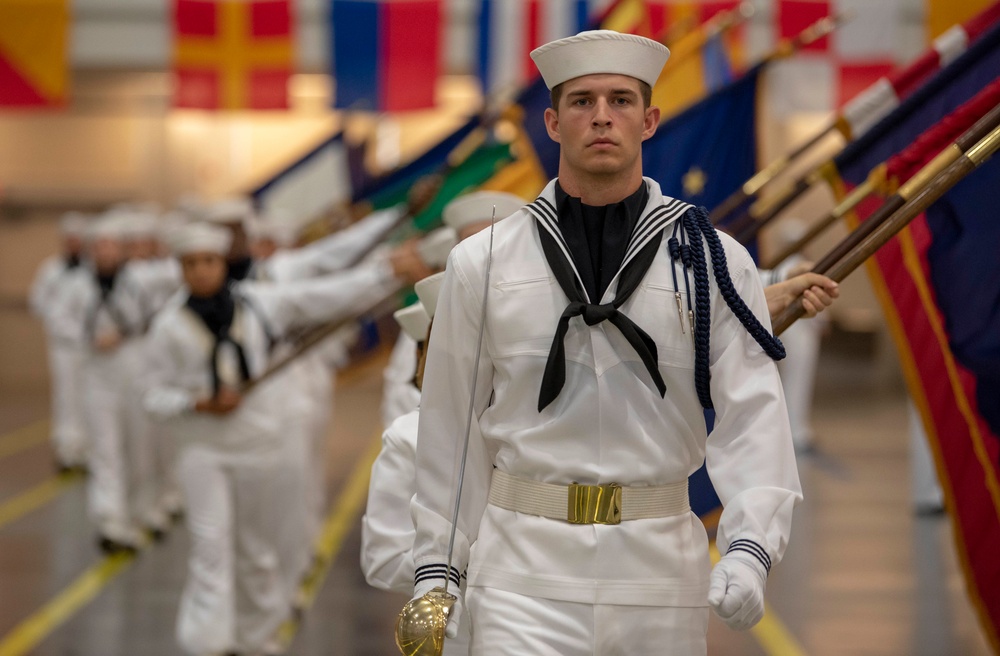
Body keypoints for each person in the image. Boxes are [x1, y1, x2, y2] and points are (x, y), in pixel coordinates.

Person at [408, 30, 811, 654]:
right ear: (552, 123)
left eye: (621, 100)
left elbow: (754, 413)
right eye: (582, 101)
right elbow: (450, 426)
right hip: (522, 574)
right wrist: (438, 572)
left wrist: (750, 547)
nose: (602, 116)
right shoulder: (482, 262)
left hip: (659, 575)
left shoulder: (712, 260)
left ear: (649, 121)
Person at [143, 220, 419, 656]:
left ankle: (257, 637)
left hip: (257, 444)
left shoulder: (258, 303)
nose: (200, 270)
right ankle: (207, 643)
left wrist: (385, 274)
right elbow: (152, 394)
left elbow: (324, 296)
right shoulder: (167, 326)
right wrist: (196, 403)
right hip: (201, 450)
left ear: (222, 262)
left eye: (209, 261)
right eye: (191, 263)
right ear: (180, 268)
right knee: (210, 546)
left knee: (256, 549)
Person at [47, 214, 162, 550]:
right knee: (105, 449)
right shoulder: (76, 284)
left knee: (138, 449)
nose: (106, 252)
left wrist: (128, 333)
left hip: (135, 371)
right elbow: (57, 318)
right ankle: (109, 519)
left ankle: (139, 513)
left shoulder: (140, 281)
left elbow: (159, 312)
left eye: (112, 245)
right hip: (97, 373)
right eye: (100, 246)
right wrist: (88, 337)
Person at [29, 212, 91, 472]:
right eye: (70, 239)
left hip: (89, 346)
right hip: (62, 347)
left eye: (78, 238)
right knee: (66, 396)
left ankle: (87, 450)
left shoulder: (92, 269)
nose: (74, 243)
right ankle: (66, 448)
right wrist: (58, 319)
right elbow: (37, 302)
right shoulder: (51, 270)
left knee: (88, 396)